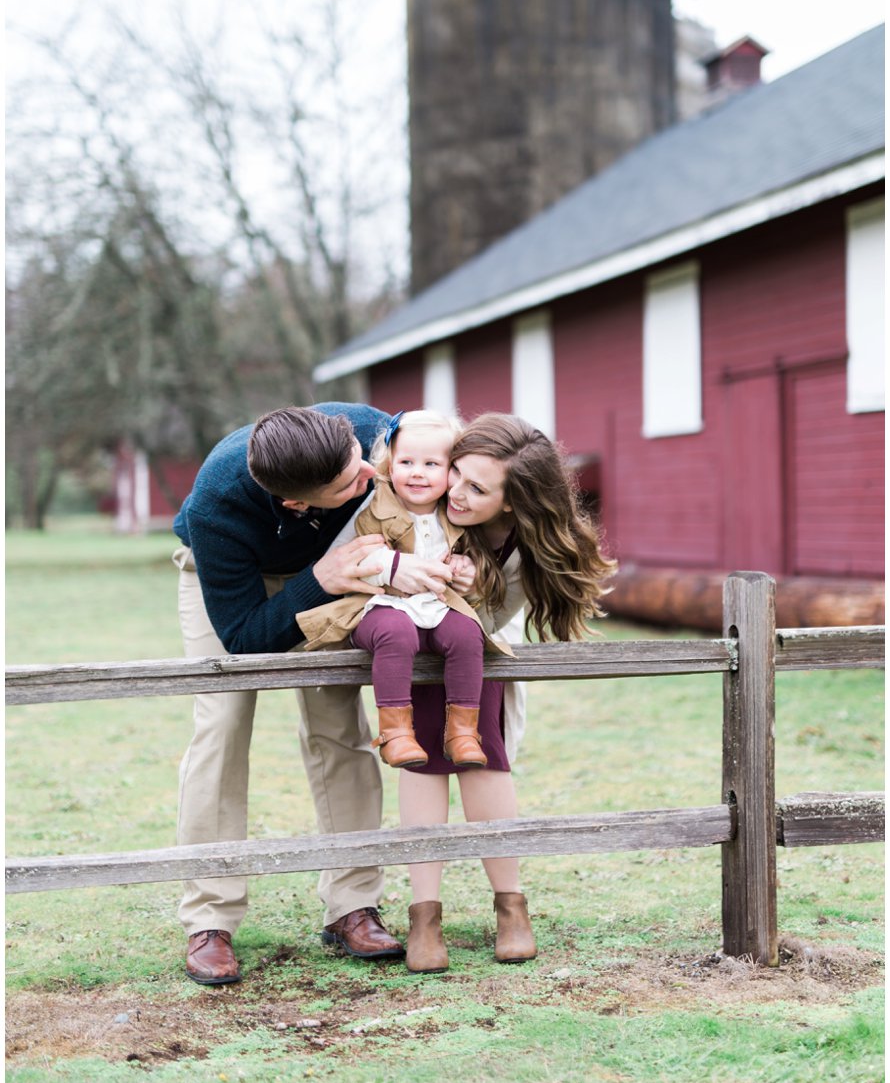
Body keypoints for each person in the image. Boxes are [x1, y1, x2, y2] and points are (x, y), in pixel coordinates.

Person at [173, 402, 454, 986]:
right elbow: (245, 639)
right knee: (221, 727)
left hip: (347, 567)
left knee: (339, 723)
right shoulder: (216, 505)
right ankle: (210, 917)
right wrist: (318, 580)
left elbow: (438, 457)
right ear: (299, 503)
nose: (370, 475)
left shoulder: (369, 434)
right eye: (351, 481)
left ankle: (352, 903)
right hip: (233, 583)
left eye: (360, 459)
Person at [397, 412, 617, 975]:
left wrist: (480, 591)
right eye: (458, 475)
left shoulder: (525, 546)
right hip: (410, 648)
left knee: (483, 760)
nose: (457, 493)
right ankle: (424, 914)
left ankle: (510, 904)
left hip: (478, 655)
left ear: (514, 503)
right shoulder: (419, 502)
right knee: (422, 763)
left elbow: (499, 622)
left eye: (478, 488)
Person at [296, 409, 513, 771]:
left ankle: (462, 732)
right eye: (406, 461)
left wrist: (465, 567)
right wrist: (387, 566)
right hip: (380, 604)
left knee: (466, 633)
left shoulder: (456, 511)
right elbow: (350, 559)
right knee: (394, 632)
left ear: (452, 471)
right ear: (388, 464)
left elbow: (474, 556)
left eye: (431, 464)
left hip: (437, 605)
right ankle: (395, 732)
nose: (417, 472)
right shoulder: (373, 506)